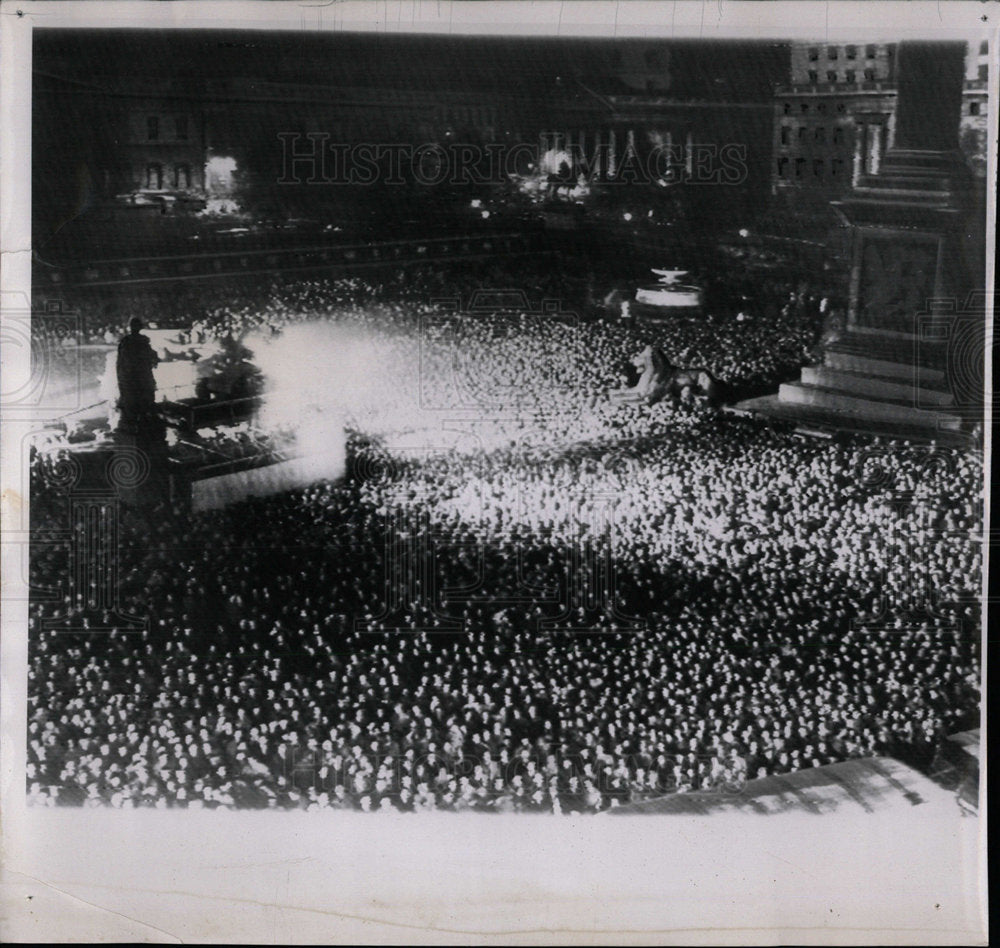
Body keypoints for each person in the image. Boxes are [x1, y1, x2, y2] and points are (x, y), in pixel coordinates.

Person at [116, 317, 159, 423]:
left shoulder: (126, 341)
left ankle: (135, 420)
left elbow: (120, 361)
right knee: (143, 397)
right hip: (141, 375)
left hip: (132, 375)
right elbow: (151, 356)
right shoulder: (142, 341)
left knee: (133, 398)